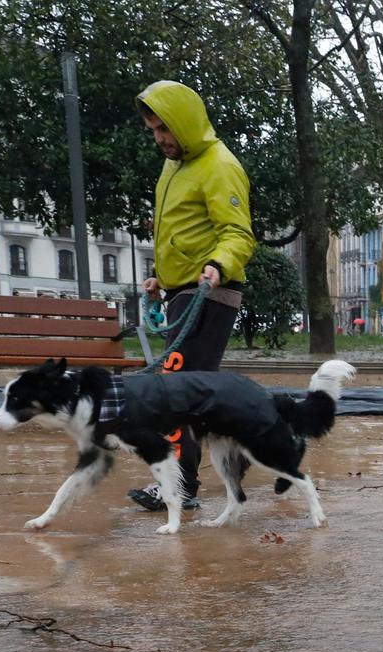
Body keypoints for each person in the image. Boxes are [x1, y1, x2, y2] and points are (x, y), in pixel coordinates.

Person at [127, 80, 257, 514]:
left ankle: (179, 487)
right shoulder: (174, 167)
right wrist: (159, 279)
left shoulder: (219, 165)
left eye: (164, 128)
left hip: (210, 294)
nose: (159, 139)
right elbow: (180, 232)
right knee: (186, 392)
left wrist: (217, 264)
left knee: (176, 393)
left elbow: (238, 233)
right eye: (152, 131)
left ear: (184, 122)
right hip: (181, 293)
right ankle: (238, 445)